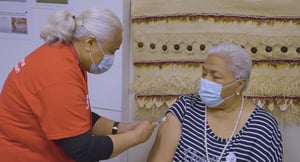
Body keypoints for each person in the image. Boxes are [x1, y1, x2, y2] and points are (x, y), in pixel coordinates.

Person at [0, 7, 156, 162]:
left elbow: (77, 117)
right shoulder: (59, 76)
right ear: (90, 43)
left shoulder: (66, 55)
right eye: (111, 50)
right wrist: (136, 137)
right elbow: (83, 150)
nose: (111, 57)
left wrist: (122, 128)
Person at [147, 43, 283, 162]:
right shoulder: (185, 107)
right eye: (204, 74)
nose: (206, 81)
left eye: (216, 77)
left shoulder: (264, 128)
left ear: (239, 85)